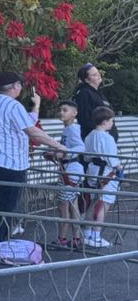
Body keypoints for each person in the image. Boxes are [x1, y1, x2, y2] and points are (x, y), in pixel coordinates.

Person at [0, 71, 67, 255]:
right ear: (15, 86)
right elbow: (33, 132)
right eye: (20, 84)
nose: (21, 88)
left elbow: (26, 122)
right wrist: (58, 145)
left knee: (1, 205)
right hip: (11, 163)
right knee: (6, 208)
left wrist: (36, 106)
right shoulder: (13, 105)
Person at [47, 100, 85, 250]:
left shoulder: (72, 129)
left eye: (65, 110)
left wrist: (62, 153)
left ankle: (62, 239)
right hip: (70, 169)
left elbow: (80, 147)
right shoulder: (68, 128)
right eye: (60, 110)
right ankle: (75, 238)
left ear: (74, 113)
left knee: (63, 207)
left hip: (70, 170)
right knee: (72, 205)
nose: (61, 112)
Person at [82, 106, 122, 249]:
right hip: (106, 173)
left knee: (92, 203)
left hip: (92, 170)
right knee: (103, 205)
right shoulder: (108, 138)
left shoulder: (89, 135)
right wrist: (119, 168)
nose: (112, 123)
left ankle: (86, 234)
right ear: (105, 121)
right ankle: (96, 236)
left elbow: (86, 157)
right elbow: (112, 159)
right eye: (111, 120)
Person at [73, 63, 116, 140]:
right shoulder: (83, 94)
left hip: (106, 138)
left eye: (98, 73)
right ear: (86, 80)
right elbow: (84, 119)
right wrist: (99, 132)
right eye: (94, 74)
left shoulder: (99, 93)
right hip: (95, 139)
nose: (99, 75)